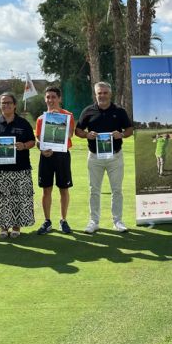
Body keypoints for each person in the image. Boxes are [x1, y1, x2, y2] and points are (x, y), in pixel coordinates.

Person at [75, 82, 133, 234]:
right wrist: (87, 135)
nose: (102, 96)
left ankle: (118, 221)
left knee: (117, 190)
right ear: (95, 94)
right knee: (94, 190)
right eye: (99, 93)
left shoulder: (119, 111)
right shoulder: (88, 111)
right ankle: (94, 221)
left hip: (115, 156)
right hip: (94, 157)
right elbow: (78, 131)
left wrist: (121, 134)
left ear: (110, 94)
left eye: (105, 93)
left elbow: (129, 129)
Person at [0, 92, 36, 238]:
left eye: (8, 103)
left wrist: (24, 145)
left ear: (14, 105)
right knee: (0, 199)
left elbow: (33, 141)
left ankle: (16, 227)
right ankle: (2, 228)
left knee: (18, 198)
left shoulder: (23, 123)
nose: (5, 105)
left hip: (20, 168)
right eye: (3, 103)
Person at [35, 86, 75, 235]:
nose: (50, 100)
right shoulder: (41, 118)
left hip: (62, 156)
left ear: (59, 99)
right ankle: (47, 221)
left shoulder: (68, 116)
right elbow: (38, 139)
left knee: (63, 189)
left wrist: (58, 119)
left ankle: (63, 220)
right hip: (46, 156)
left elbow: (70, 135)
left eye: (53, 97)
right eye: (48, 97)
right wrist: (41, 149)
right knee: (46, 189)